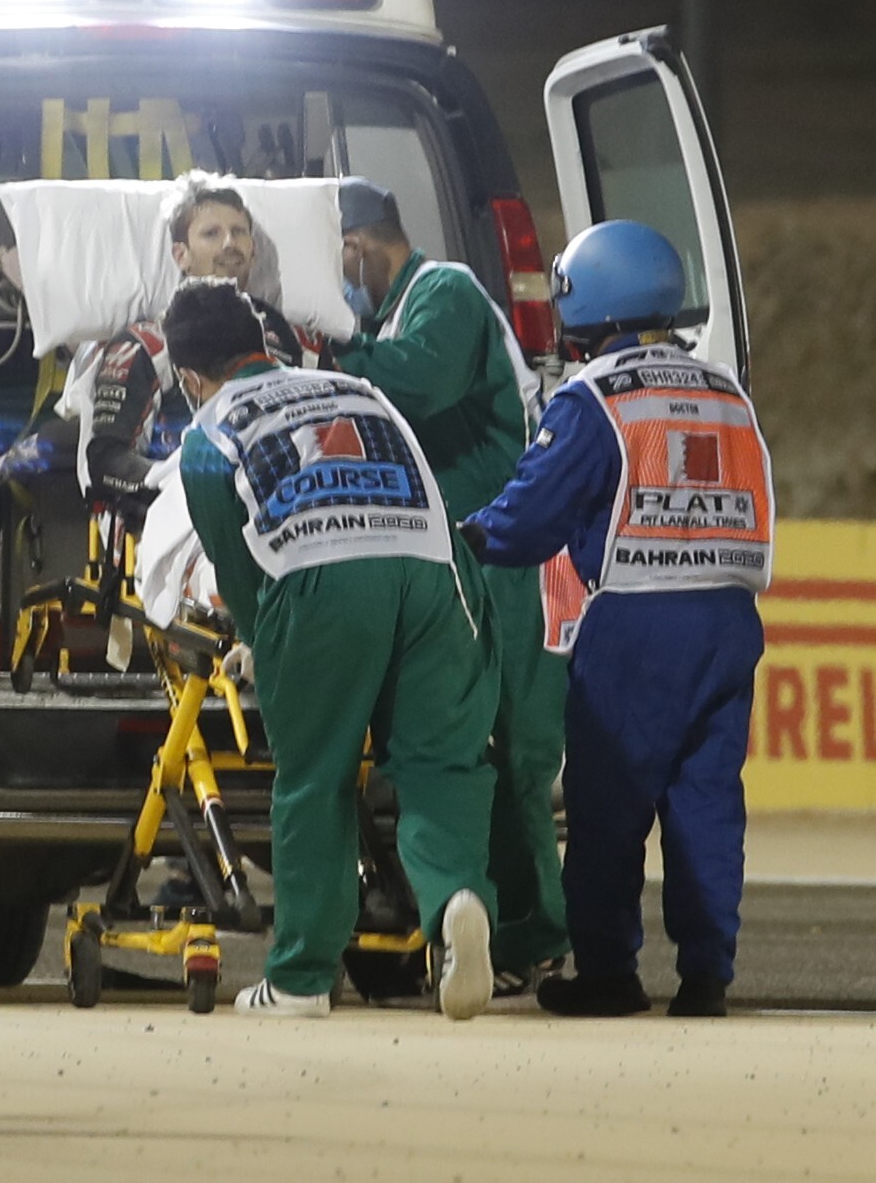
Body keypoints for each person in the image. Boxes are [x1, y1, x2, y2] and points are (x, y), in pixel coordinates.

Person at [462, 221, 772, 1018]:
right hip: (730, 620)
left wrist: (471, 535)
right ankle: (707, 976)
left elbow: (529, 516)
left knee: (609, 806)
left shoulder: (595, 399)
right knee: (706, 802)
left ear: (584, 305)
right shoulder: (726, 390)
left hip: (637, 620)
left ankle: (608, 972)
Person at [166, 279, 497, 1020]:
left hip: (322, 582)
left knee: (316, 779)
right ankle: (457, 900)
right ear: (264, 340)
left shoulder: (208, 434)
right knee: (441, 766)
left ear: (190, 377)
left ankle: (303, 976)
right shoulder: (355, 388)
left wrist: (261, 642)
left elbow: (239, 567)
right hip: (434, 574)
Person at [327, 177, 569, 993]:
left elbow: (418, 380)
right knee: (470, 744)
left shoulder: (447, 292)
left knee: (516, 748)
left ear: (358, 245)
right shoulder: (389, 314)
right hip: (458, 559)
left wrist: (328, 351)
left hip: (508, 554)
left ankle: (535, 935)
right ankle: (492, 929)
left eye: (340, 263)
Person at [0, 172, 303, 502]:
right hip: (188, 513)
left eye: (239, 232)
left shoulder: (296, 340)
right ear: (181, 256)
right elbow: (107, 460)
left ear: (253, 250)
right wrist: (182, 488)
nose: (229, 243)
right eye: (212, 233)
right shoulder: (145, 344)